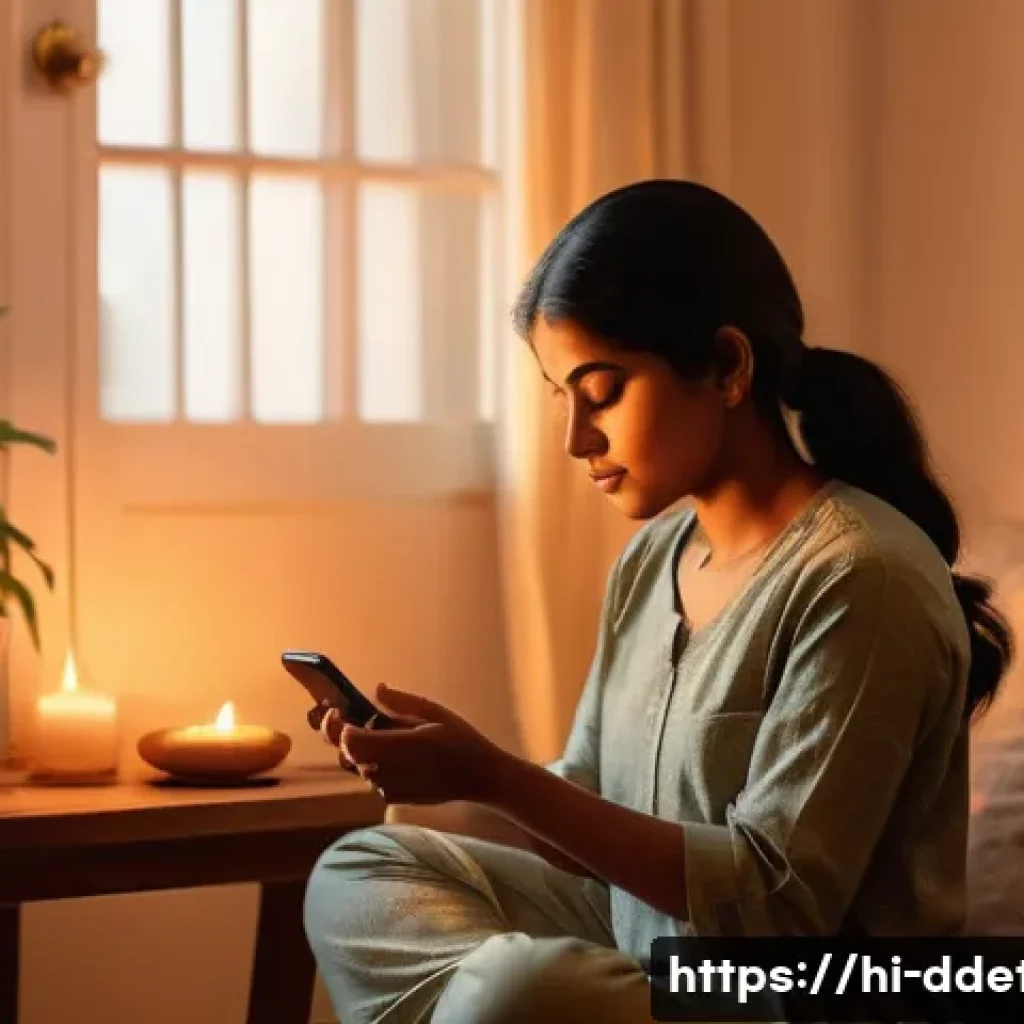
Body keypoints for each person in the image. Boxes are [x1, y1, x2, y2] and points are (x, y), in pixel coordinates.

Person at [302, 179, 1013, 1024]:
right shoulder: (651, 560)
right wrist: (450, 772)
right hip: (643, 958)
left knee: (525, 991)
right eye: (559, 397)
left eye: (600, 392)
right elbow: (587, 806)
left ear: (727, 366)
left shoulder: (864, 578)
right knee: (359, 875)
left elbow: (777, 911)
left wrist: (494, 776)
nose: (575, 439)